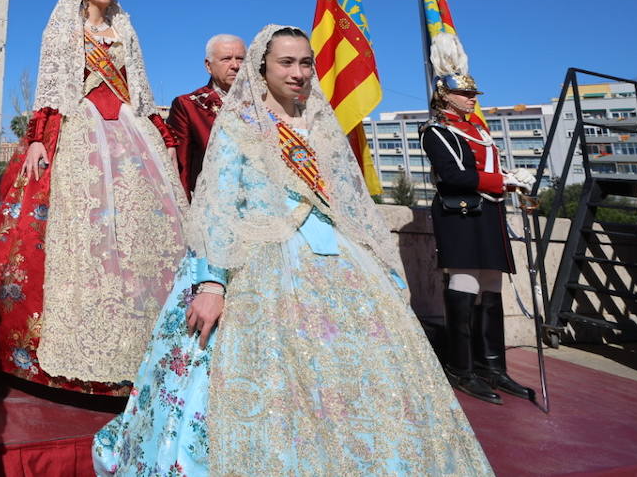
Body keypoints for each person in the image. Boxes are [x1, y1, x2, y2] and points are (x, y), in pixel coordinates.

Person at [93, 25, 494, 475]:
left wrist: (384, 268)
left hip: (336, 258)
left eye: (306, 62)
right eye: (287, 62)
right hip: (258, 256)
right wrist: (212, 281)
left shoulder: (322, 124)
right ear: (262, 68)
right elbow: (221, 203)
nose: (299, 72)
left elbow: (351, 201)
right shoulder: (242, 123)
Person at [0, 0, 186, 395]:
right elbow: (51, 87)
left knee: (139, 229)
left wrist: (161, 136)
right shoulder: (64, 30)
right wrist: (38, 139)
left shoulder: (126, 30)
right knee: (85, 228)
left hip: (128, 132)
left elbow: (141, 88)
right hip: (81, 129)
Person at [421, 32, 535, 405]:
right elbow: (454, 177)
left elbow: (487, 171)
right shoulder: (437, 131)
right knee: (466, 285)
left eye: (472, 94)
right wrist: (503, 180)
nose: (472, 99)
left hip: (488, 212)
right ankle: (461, 367)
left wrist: (512, 183)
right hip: (461, 215)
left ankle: (493, 366)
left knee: (491, 288)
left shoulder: (479, 129)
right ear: (444, 95)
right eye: (465, 94)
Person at [167, 33, 245, 197]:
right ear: (208, 66)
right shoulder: (188, 105)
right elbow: (182, 167)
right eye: (226, 59)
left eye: (240, 59)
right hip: (212, 204)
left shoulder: (263, 105)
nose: (235, 65)